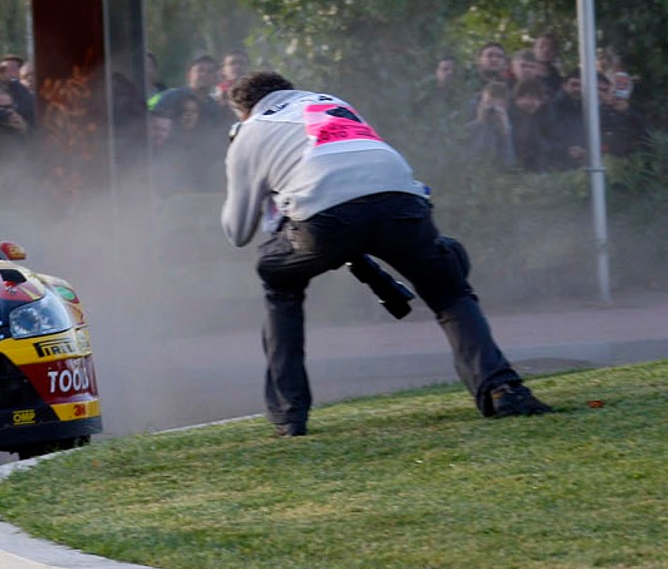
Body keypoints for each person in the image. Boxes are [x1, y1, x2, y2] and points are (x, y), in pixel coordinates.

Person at [221, 71, 550, 435]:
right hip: (402, 200)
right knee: (449, 293)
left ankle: (289, 416)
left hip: (324, 220)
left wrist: (244, 159)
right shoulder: (331, 102)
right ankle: (504, 390)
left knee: (276, 277)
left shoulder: (250, 131)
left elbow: (237, 231)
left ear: (243, 110)